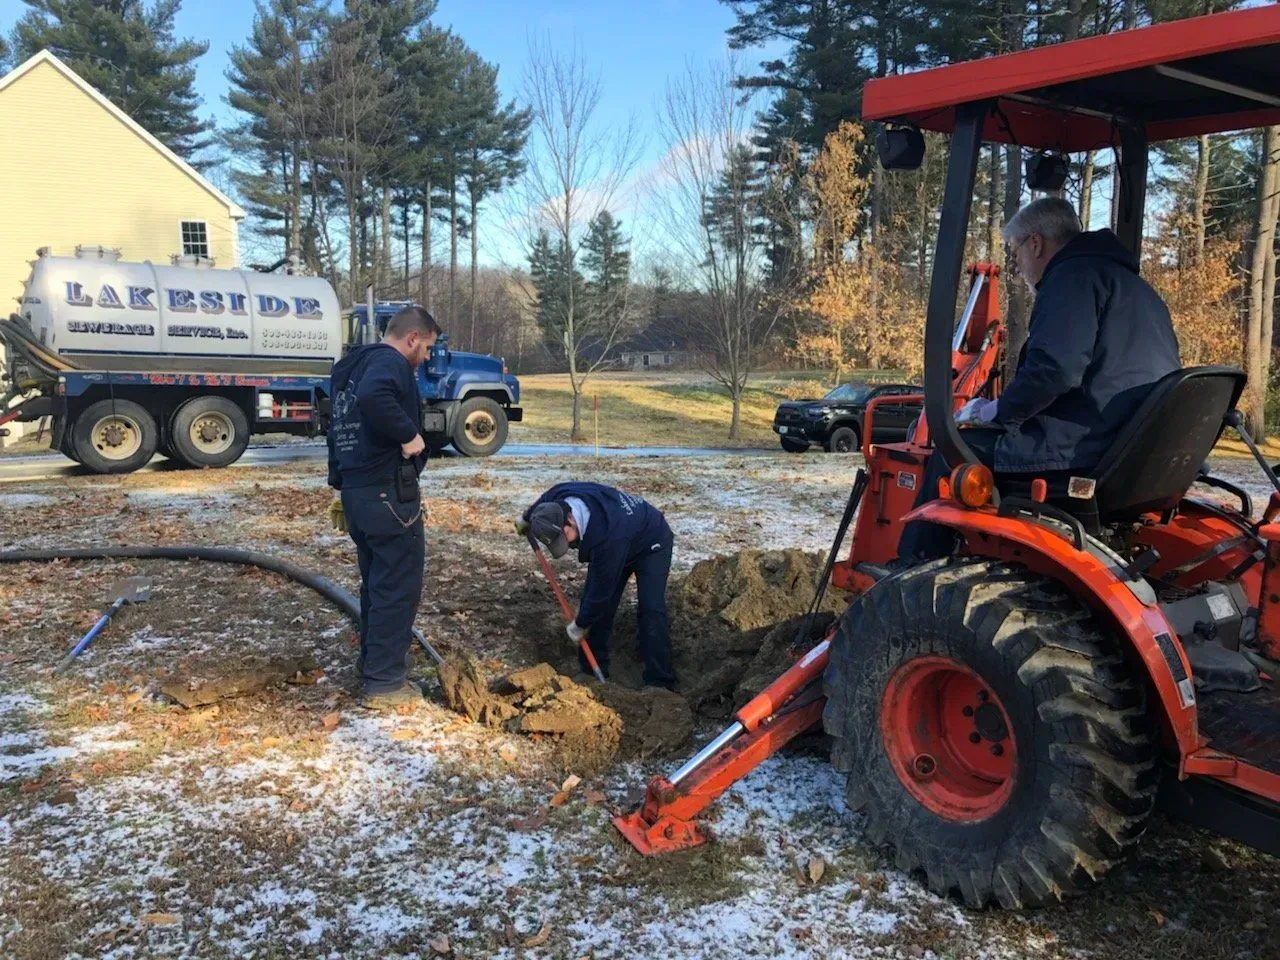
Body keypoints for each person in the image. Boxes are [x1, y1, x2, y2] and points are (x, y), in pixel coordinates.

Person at [898, 196, 1181, 562]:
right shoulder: (1133, 287)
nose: (1016, 265)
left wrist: (999, 414)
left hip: (1085, 447)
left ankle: (910, 575)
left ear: (1036, 243)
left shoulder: (1071, 279)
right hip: (1134, 449)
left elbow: (1055, 370)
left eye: (1015, 252)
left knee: (952, 452)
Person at [326, 305, 441, 710]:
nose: (426, 357)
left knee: (376, 583)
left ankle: (373, 664)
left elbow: (337, 425)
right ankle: (385, 683)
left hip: (358, 494)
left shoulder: (349, 367)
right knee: (398, 586)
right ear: (412, 338)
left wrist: (339, 479)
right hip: (390, 495)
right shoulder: (390, 364)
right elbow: (375, 397)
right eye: (426, 348)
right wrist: (410, 435)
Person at [521, 482, 675, 689]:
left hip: (651, 542)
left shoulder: (606, 537)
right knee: (600, 609)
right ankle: (593, 672)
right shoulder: (559, 498)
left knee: (650, 608)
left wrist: (580, 624)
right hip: (621, 537)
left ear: (570, 519)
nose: (566, 545)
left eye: (564, 537)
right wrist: (525, 518)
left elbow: (600, 594)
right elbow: (545, 498)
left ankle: (660, 681)